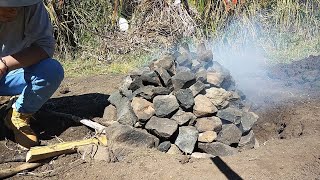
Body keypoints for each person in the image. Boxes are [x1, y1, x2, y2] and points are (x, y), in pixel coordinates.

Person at [0, 0, 64, 149]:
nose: (15, 11)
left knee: (51, 70)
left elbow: (44, 47)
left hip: (12, 72)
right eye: (9, 5)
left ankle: (18, 113)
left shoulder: (33, 6)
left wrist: (4, 65)